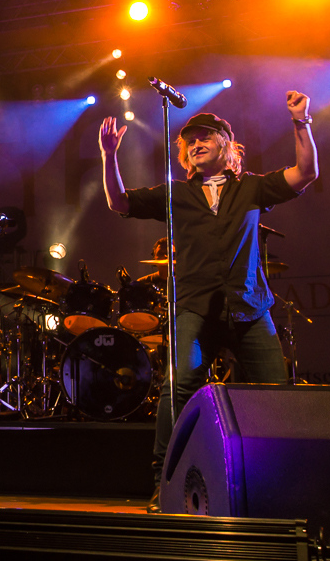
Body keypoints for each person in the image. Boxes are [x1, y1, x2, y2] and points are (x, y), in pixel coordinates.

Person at [99, 92, 318, 513]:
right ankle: (163, 479)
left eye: (204, 137)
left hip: (249, 306)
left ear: (225, 144)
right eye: (189, 141)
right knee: (178, 388)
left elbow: (306, 172)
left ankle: (282, 484)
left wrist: (301, 121)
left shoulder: (252, 187)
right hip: (195, 306)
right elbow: (119, 203)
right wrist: (109, 156)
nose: (195, 144)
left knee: (276, 392)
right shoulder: (176, 194)